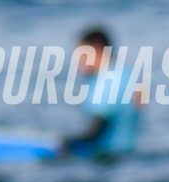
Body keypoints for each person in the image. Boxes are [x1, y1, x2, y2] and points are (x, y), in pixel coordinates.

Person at [61, 27, 143, 160]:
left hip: (107, 160)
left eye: (82, 55)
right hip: (128, 155)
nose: (78, 62)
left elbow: (97, 128)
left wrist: (67, 144)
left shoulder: (106, 82)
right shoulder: (126, 74)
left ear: (98, 49)